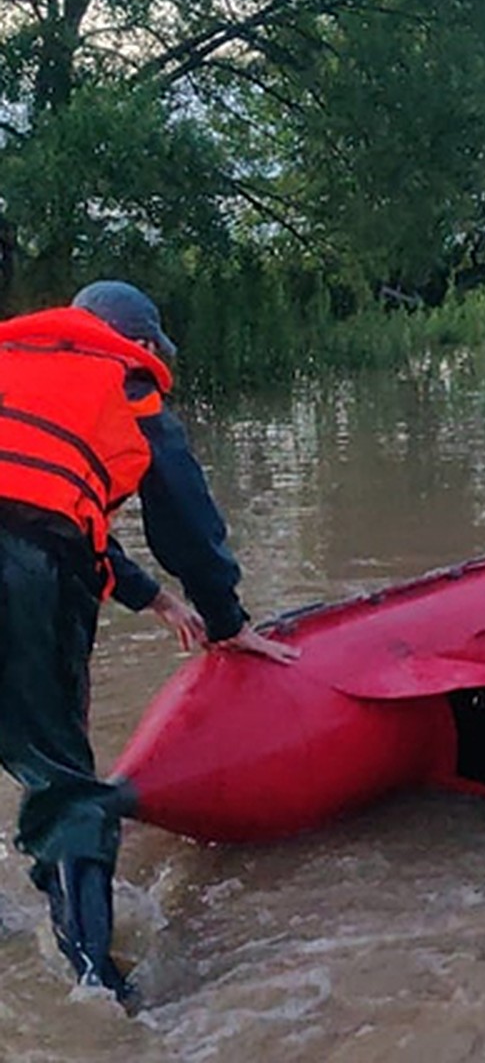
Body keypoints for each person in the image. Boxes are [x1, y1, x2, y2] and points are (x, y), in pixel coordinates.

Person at [0, 280, 298, 1008]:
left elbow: (47, 504)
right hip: (24, 570)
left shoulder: (14, 363)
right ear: (136, 344)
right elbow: (186, 528)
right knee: (68, 788)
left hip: (28, 547)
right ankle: (100, 993)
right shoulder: (125, 387)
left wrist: (152, 599)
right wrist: (226, 622)